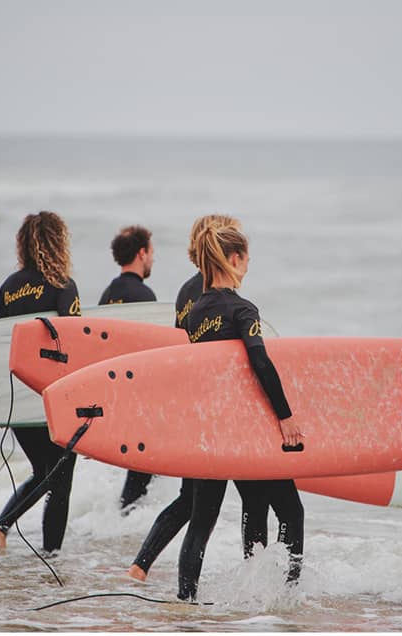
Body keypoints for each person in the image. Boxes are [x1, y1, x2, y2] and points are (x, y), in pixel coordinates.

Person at [127, 215, 275, 582]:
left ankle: (145, 568)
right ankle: (254, 584)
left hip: (195, 413)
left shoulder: (185, 295)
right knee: (246, 505)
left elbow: (183, 355)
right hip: (229, 419)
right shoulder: (224, 299)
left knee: (193, 503)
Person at [0, 211, 81, 554]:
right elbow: (75, 343)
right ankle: (52, 556)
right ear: (58, 242)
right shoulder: (63, 285)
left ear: (24, 244)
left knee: (44, 472)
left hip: (18, 399)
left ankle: (1, 528)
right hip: (51, 398)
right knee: (60, 480)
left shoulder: (8, 288)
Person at [97, 225, 158, 512]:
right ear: (141, 252)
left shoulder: (106, 295)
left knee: (140, 471)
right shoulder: (145, 296)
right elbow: (153, 352)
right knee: (145, 471)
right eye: (151, 253)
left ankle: (122, 522)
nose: (152, 260)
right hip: (137, 395)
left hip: (111, 394)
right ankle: (127, 524)